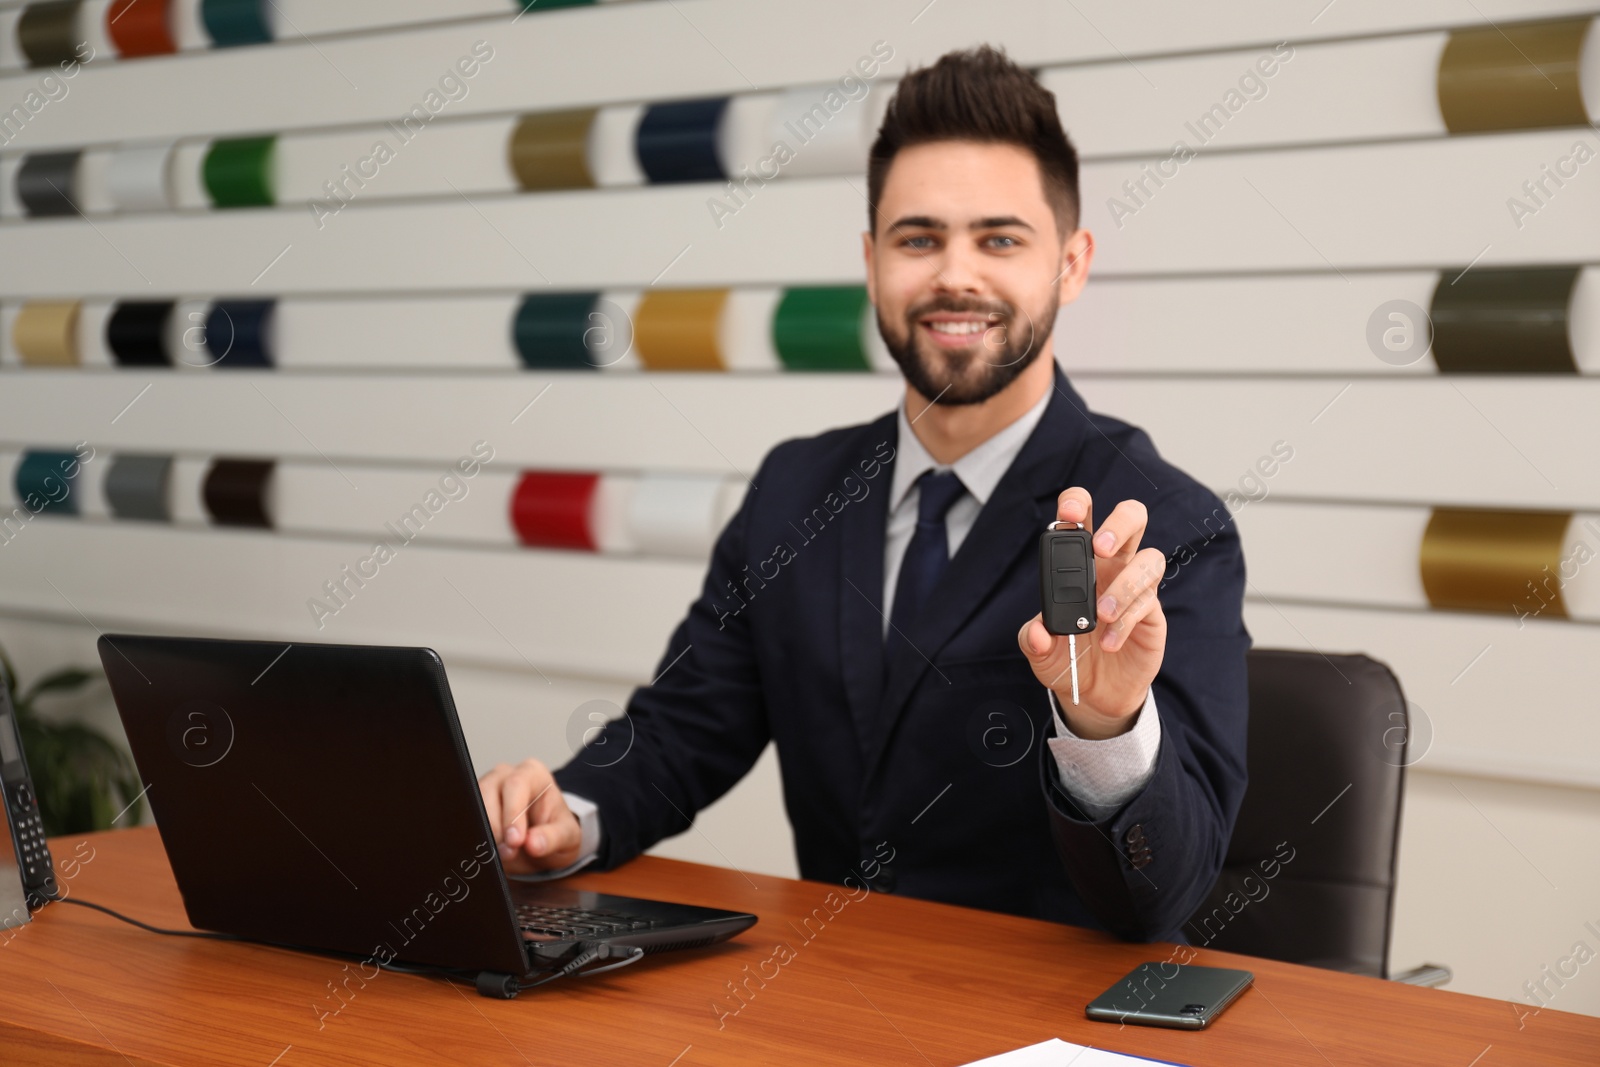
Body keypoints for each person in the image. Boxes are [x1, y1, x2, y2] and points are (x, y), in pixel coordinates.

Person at [478, 44, 1249, 942]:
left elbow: (1168, 893)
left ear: (1071, 264)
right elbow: (688, 726)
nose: (954, 275)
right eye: (918, 239)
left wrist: (1105, 722)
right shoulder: (794, 490)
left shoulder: (1161, 525)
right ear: (872, 258)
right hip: (825, 1002)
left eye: (1000, 239)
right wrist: (569, 813)